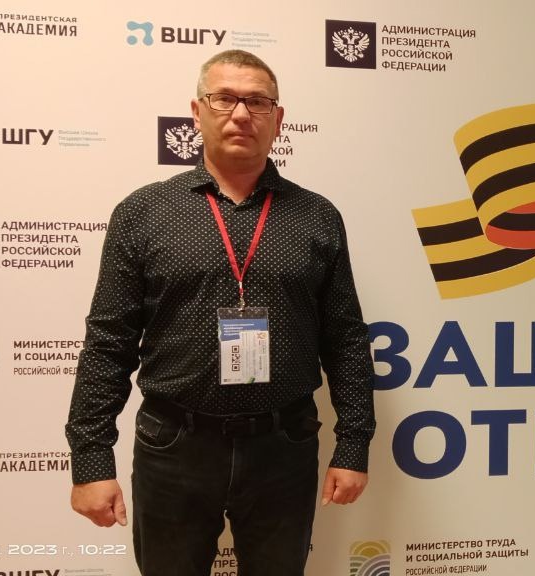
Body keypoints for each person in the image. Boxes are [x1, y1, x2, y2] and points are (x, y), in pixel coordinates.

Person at [65, 49, 375, 575]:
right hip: (173, 445)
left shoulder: (317, 216)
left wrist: (353, 446)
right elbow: (108, 343)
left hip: (284, 447)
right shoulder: (142, 213)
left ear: (278, 118)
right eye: (224, 98)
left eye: (258, 102)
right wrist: (91, 459)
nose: (241, 114)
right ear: (197, 112)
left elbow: (345, 340)